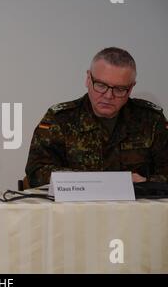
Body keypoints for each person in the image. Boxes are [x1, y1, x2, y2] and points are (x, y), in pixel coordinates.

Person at [25, 47, 168, 187]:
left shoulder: (152, 120)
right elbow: (36, 173)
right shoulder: (60, 119)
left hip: (136, 208)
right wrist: (99, 181)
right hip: (76, 208)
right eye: (100, 85)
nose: (108, 96)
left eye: (119, 89)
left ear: (130, 88)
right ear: (88, 79)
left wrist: (146, 183)